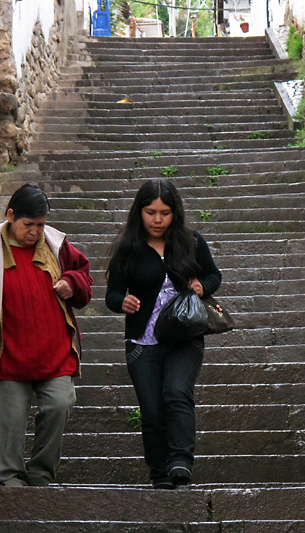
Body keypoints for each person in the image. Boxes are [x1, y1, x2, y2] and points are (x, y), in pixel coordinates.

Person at [105, 178, 222, 489]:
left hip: (185, 336)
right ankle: (159, 473)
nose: (157, 220)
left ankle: (181, 462)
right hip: (142, 342)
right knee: (153, 410)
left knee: (177, 393)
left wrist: (201, 286)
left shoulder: (191, 242)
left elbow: (213, 275)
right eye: (150, 212)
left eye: (165, 212)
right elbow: (112, 295)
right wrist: (123, 302)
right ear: (139, 212)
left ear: (175, 213)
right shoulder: (127, 248)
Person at [0, 183, 93, 486]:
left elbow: (84, 277)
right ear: (10, 216)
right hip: (9, 357)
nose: (34, 232)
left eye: (40, 225)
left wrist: (72, 282)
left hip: (54, 354)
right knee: (8, 423)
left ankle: (41, 474)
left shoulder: (57, 247)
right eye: (28, 224)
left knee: (60, 404)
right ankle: (10, 481)